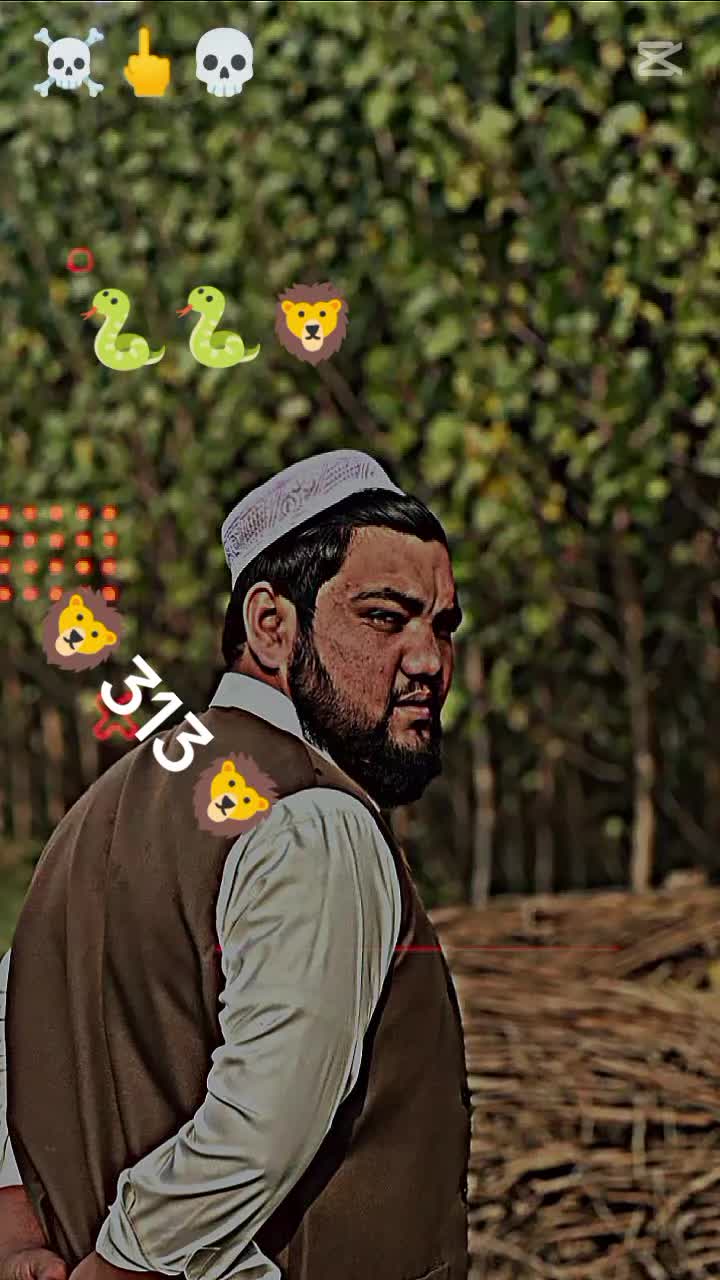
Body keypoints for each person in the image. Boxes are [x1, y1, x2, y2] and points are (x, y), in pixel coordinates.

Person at [0, 450, 471, 1280]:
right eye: (385, 617)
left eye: (441, 626)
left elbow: (11, 1020)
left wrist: (14, 1228)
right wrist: (127, 1262)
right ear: (270, 625)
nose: (429, 660)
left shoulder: (98, 810)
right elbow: (262, 1121)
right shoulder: (316, 819)